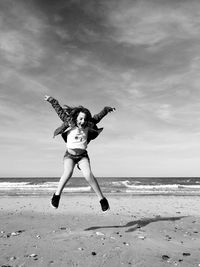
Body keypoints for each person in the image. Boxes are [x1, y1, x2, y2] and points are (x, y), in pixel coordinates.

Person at [44, 95, 115, 212]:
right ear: (76, 118)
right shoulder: (69, 122)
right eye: (81, 119)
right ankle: (56, 196)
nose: (83, 121)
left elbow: (98, 116)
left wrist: (107, 109)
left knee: (88, 175)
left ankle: (102, 199)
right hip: (69, 156)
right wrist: (52, 100)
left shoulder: (89, 125)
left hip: (82, 156)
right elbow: (60, 111)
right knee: (68, 173)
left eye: (85, 119)